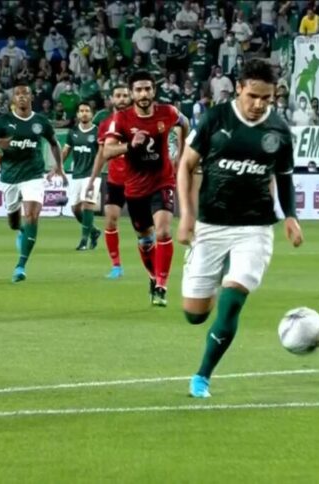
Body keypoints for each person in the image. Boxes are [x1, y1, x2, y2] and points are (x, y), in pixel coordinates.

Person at [177, 58, 303, 398]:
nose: (259, 104)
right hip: (211, 225)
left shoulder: (278, 131)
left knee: (233, 301)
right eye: (253, 96)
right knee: (194, 315)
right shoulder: (214, 119)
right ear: (239, 89)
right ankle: (219, 276)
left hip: (255, 227)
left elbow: (285, 177)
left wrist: (290, 216)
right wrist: (187, 214)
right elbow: (185, 166)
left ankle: (202, 376)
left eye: (267, 98)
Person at [94, 71, 188, 306]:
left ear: (154, 91)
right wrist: (130, 145)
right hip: (135, 187)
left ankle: (161, 287)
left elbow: (183, 124)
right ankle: (152, 277)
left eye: (148, 89)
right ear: (132, 93)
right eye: (139, 89)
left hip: (162, 181)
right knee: (146, 241)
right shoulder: (122, 119)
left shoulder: (168, 112)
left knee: (164, 231)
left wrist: (180, 152)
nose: (144, 94)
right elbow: (107, 151)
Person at [0, 81, 66, 282]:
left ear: (31, 98)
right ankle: (20, 232)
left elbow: (54, 143)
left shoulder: (41, 122)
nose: (21, 97)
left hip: (34, 175)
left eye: (25, 94)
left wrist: (59, 166)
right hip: (10, 176)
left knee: (32, 216)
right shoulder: (3, 121)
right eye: (17, 94)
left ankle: (20, 266)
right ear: (13, 99)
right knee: (14, 222)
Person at [87, 85, 132, 279]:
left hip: (139, 179)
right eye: (118, 95)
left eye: (125, 95)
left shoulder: (137, 120)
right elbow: (101, 154)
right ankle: (116, 266)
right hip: (116, 180)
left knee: (145, 227)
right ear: (111, 99)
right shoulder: (105, 125)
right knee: (110, 219)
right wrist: (92, 180)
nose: (121, 99)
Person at [61, 102, 101, 250]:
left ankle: (84, 241)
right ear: (78, 114)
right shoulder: (72, 133)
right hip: (77, 174)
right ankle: (94, 231)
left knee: (87, 204)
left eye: (87, 111)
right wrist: (57, 167)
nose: (84, 113)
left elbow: (103, 153)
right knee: (75, 210)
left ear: (91, 114)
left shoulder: (98, 132)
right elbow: (65, 151)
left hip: (92, 175)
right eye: (81, 111)